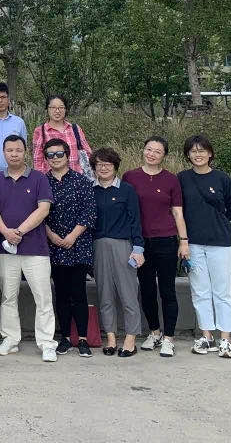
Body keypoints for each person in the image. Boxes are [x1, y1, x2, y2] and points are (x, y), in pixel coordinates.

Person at [0, 135, 58, 362]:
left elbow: (43, 209)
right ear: (3, 153)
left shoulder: (39, 178)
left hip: (35, 248)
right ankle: (10, 340)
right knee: (8, 296)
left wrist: (18, 232)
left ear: (25, 151)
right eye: (9, 150)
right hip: (5, 249)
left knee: (43, 297)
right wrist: (5, 231)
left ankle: (47, 343)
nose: (14, 154)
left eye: (18, 150)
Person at [124, 136, 189, 358]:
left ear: (164, 156)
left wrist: (184, 241)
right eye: (149, 149)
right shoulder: (130, 177)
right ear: (143, 150)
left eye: (157, 151)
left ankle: (169, 338)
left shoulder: (171, 180)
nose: (152, 154)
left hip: (166, 240)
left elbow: (177, 212)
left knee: (167, 290)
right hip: (140, 243)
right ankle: (154, 332)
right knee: (147, 289)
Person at [178, 135, 231, 359]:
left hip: (220, 243)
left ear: (210, 153)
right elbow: (178, 209)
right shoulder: (182, 178)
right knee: (200, 291)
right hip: (193, 243)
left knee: (222, 292)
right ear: (188, 154)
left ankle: (225, 339)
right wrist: (183, 240)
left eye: (202, 150)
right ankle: (206, 336)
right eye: (193, 151)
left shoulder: (222, 178)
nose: (198, 154)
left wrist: (217, 222)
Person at [42, 138, 96, 358]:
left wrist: (72, 236)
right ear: (46, 159)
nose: (55, 158)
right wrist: (52, 236)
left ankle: (82, 338)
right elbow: (38, 213)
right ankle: (64, 337)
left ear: (67, 155)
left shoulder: (81, 181)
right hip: (54, 245)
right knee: (61, 294)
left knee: (78, 293)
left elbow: (89, 212)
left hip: (78, 245)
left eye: (59, 154)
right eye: (51, 155)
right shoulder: (42, 182)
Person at [91, 147, 145, 357]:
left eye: (108, 164)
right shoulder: (90, 190)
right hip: (98, 246)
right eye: (99, 164)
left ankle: (131, 338)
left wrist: (138, 248)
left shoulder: (126, 190)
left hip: (123, 246)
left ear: (115, 166)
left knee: (128, 293)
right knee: (105, 294)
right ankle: (111, 337)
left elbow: (135, 221)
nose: (103, 168)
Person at [31, 94, 93, 175]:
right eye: (53, 107)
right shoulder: (40, 131)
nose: (57, 111)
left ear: (65, 109)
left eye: (61, 107)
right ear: (47, 109)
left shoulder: (75, 129)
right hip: (52, 179)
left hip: (77, 177)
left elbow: (88, 153)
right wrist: (41, 179)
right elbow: (38, 160)